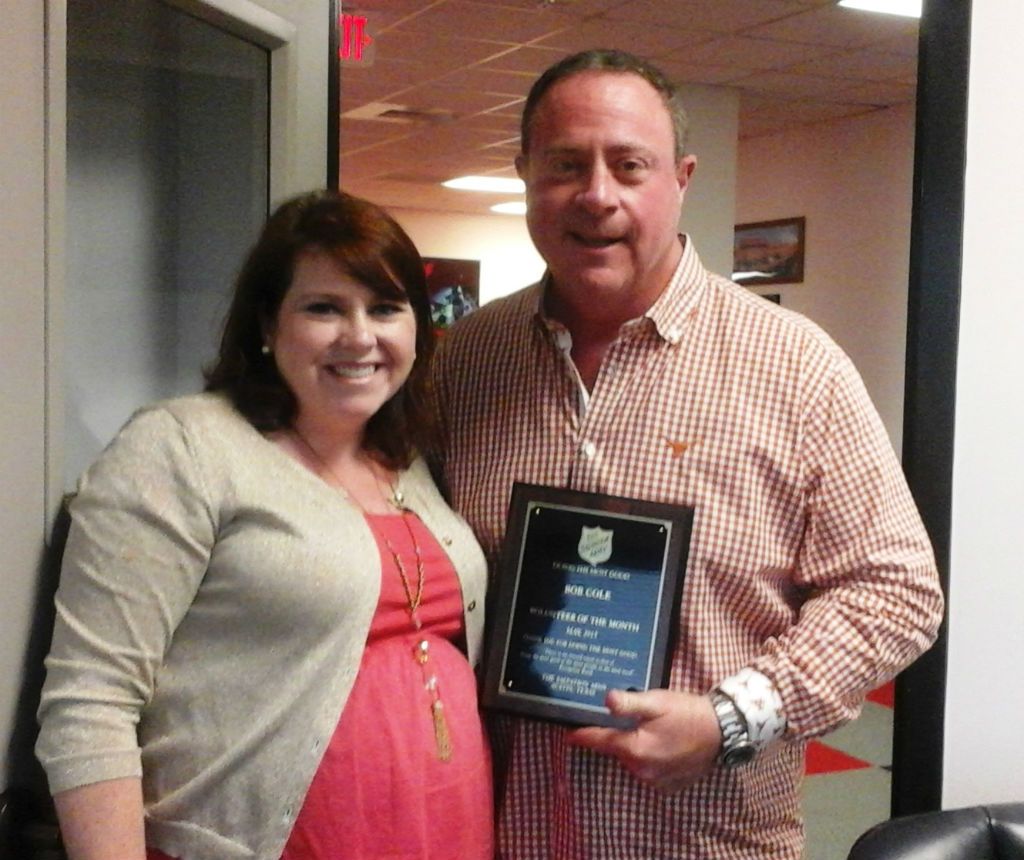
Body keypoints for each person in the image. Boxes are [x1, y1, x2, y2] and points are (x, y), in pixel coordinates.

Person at [430, 49, 944, 858]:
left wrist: (734, 717)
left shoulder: (794, 366)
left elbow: (896, 589)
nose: (596, 194)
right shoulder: (468, 359)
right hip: (501, 833)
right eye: (565, 164)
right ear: (525, 173)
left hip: (704, 838)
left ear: (682, 179)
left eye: (629, 165)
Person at [36, 190, 493, 860]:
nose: (360, 336)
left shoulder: (408, 461)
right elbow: (91, 700)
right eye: (323, 308)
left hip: (444, 835)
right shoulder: (182, 447)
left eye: (385, 308)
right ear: (267, 325)